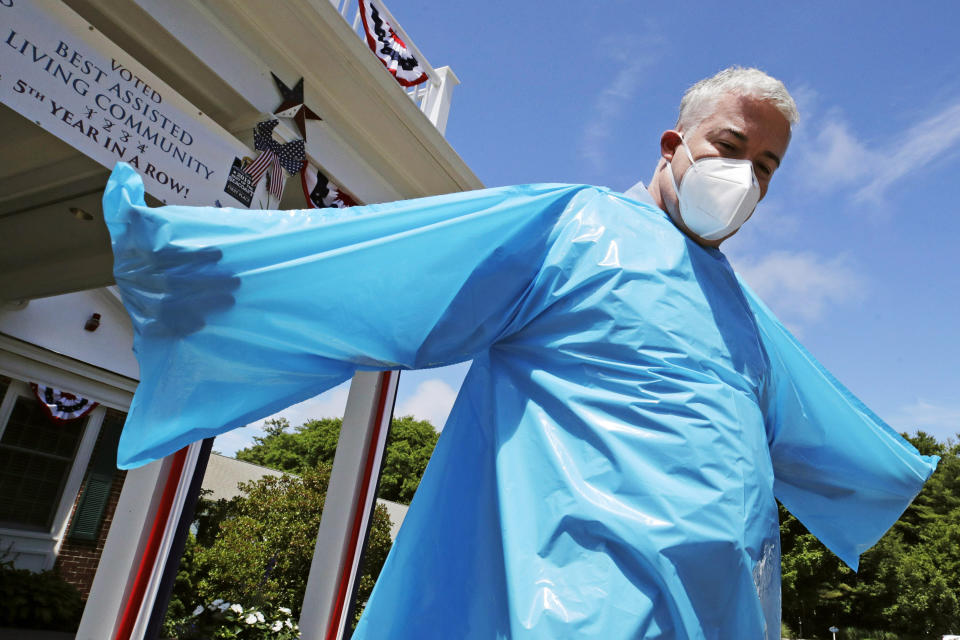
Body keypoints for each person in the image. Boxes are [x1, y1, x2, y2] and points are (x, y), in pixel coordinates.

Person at [102, 66, 937, 639]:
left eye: (768, 167)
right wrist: (189, 262)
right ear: (672, 145)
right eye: (730, 146)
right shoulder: (574, 226)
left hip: (723, 612)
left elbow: (844, 447)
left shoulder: (750, 320)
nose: (746, 176)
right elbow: (388, 263)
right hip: (578, 603)